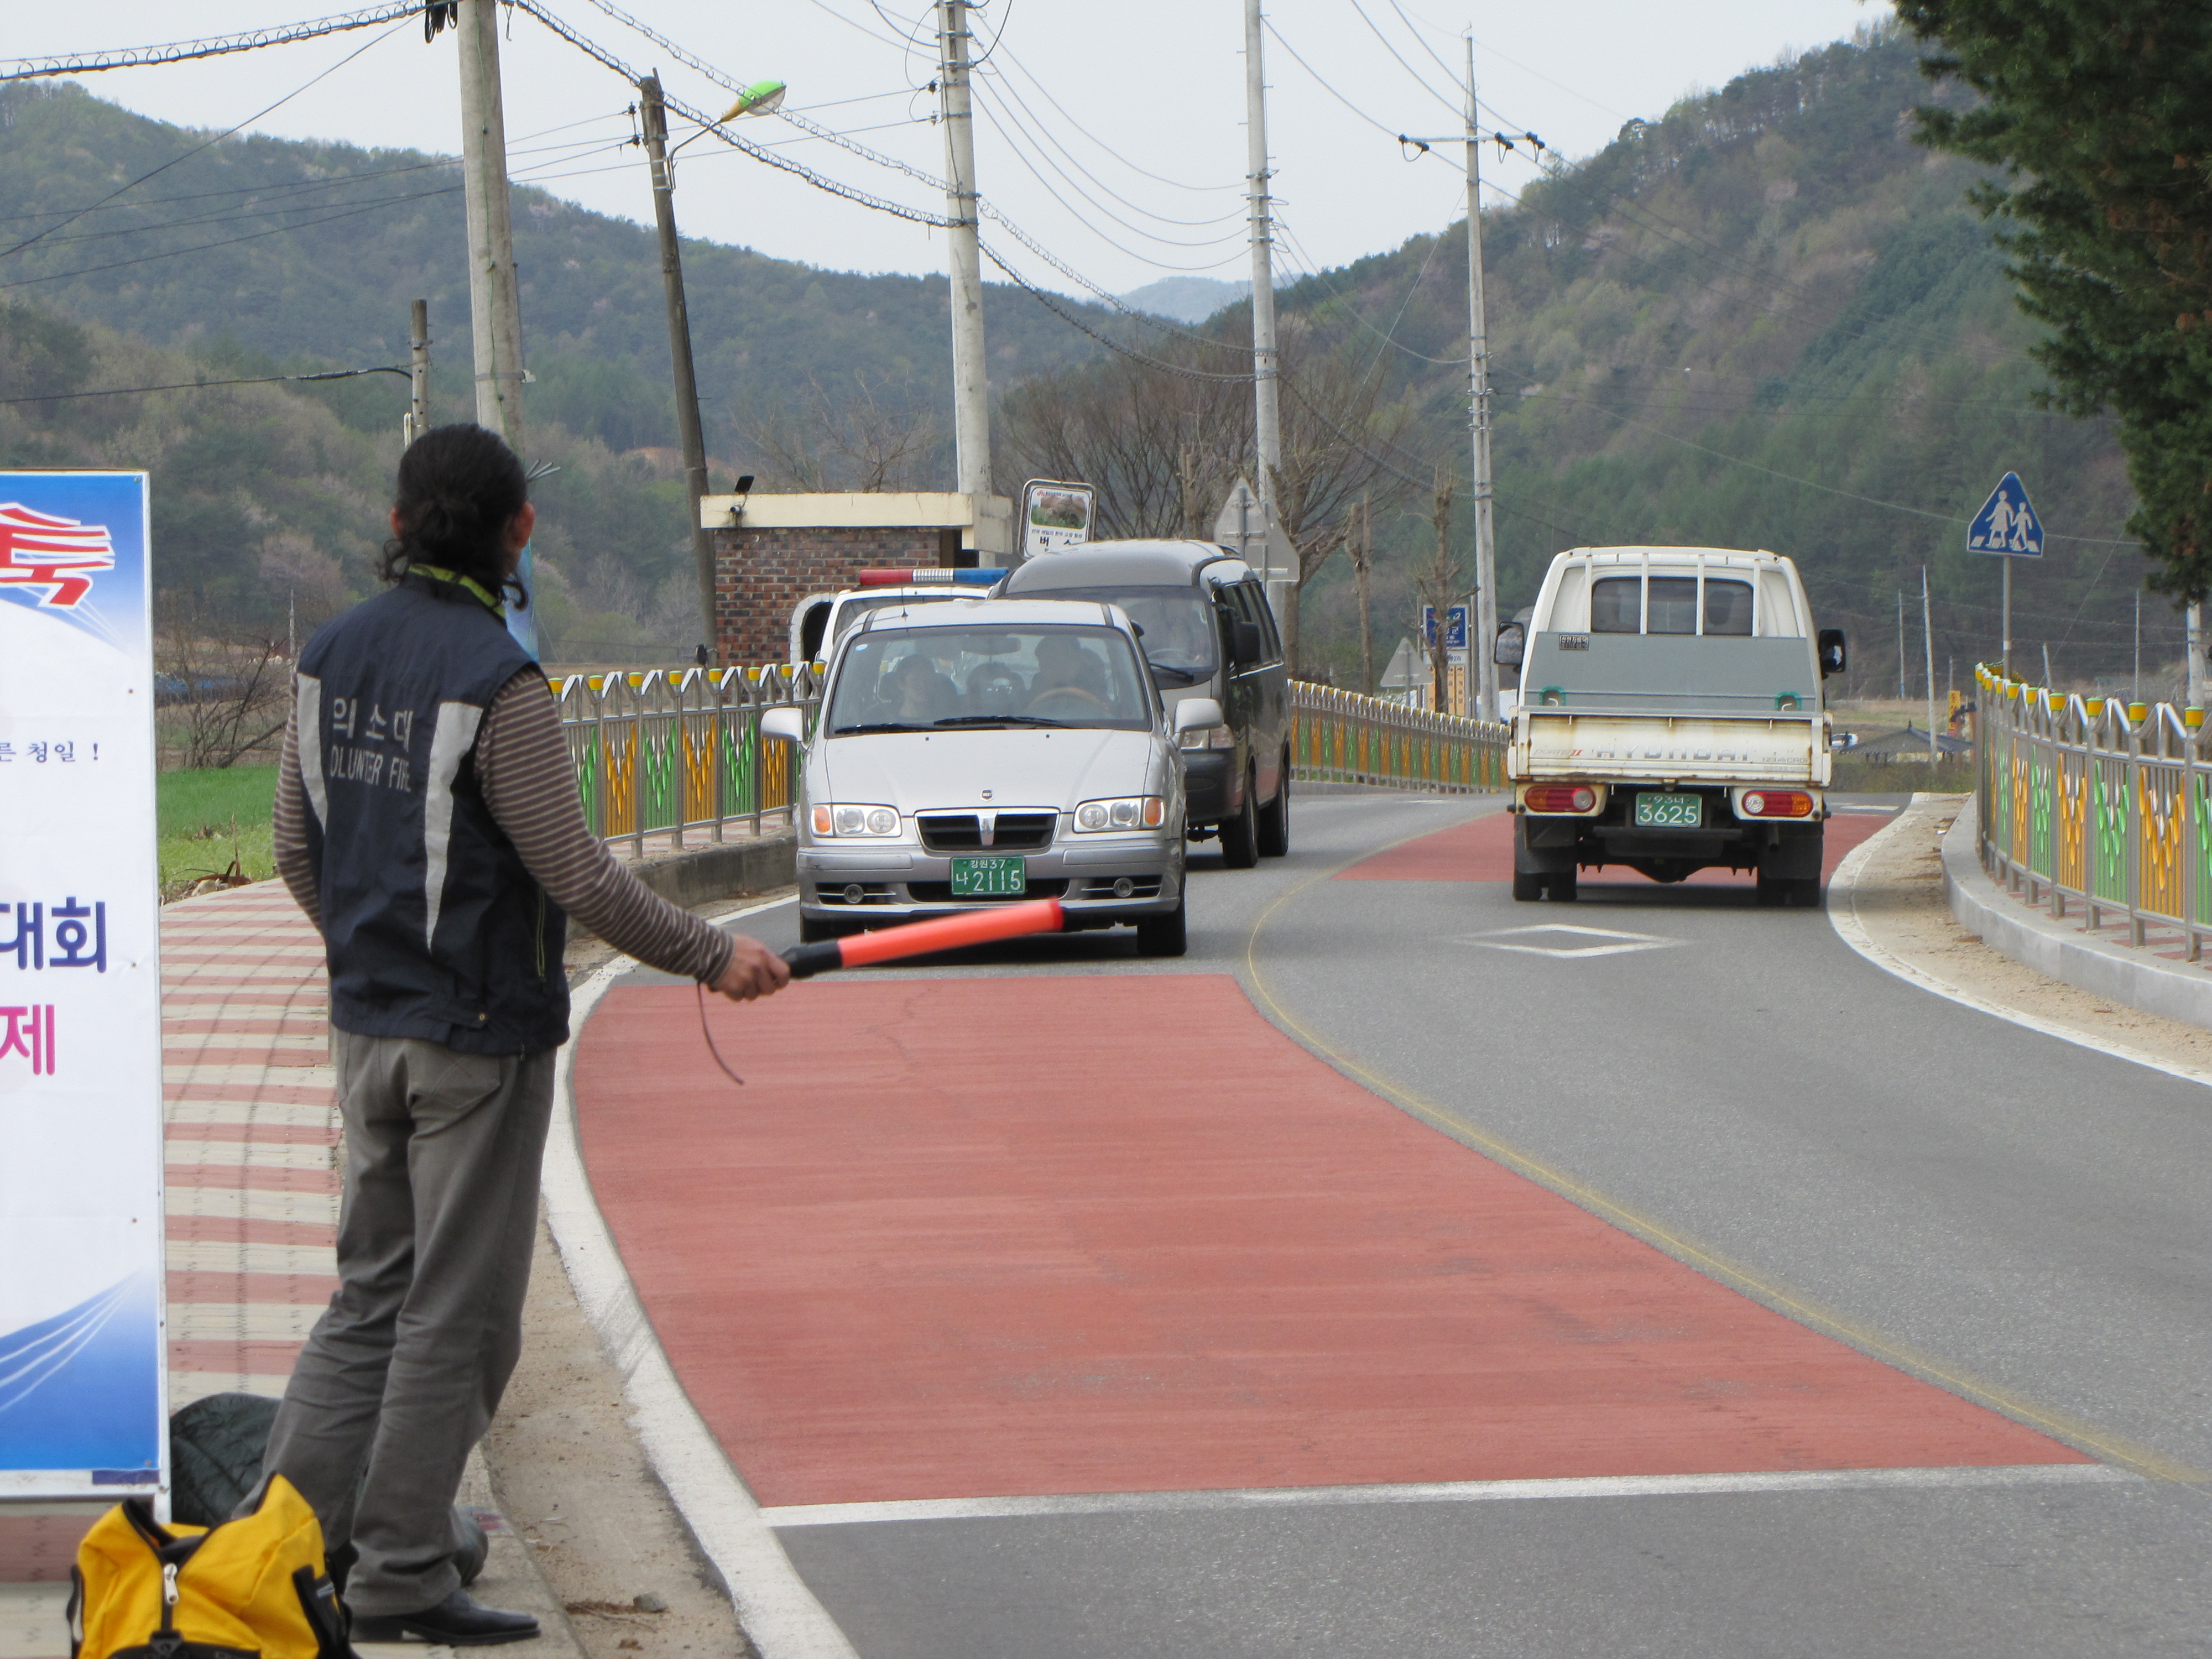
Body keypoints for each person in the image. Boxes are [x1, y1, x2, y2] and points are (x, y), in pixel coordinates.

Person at [258, 425, 789, 1646]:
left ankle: (281, 1551)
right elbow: (576, 872)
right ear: (520, 533)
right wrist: (712, 954)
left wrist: (368, 956)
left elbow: (295, 846)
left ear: (398, 524)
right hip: (476, 1038)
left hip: (367, 1027)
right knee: (457, 1313)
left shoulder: (326, 657)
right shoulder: (500, 684)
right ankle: (400, 1573)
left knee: (368, 1297)